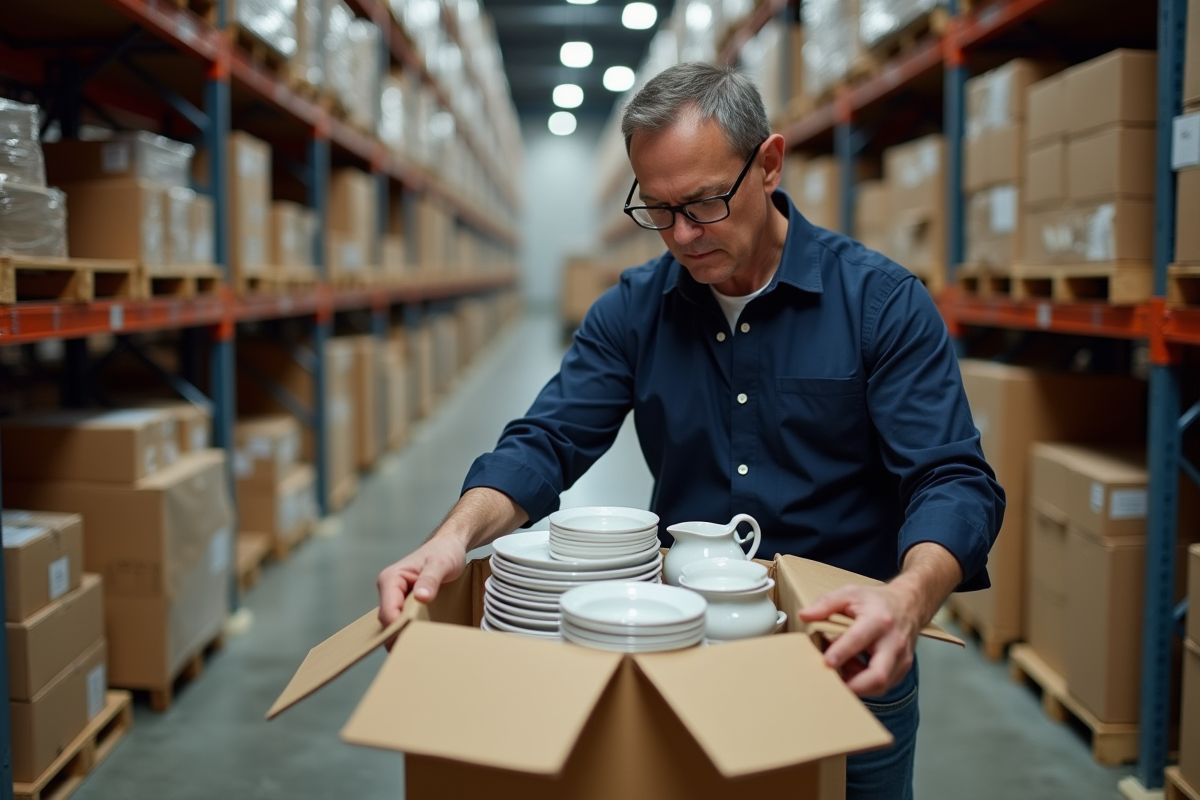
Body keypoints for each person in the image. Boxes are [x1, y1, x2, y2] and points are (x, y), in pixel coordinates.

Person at [376, 62, 1005, 799]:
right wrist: (453, 536)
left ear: (768, 164)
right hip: (690, 657)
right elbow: (544, 441)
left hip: (844, 657)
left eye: (704, 203)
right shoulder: (633, 311)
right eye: (658, 209)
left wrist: (908, 597)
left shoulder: (880, 304)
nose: (681, 235)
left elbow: (952, 480)